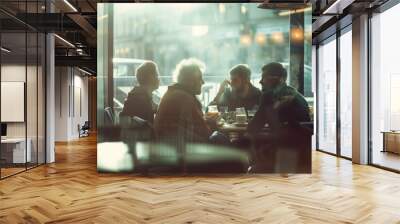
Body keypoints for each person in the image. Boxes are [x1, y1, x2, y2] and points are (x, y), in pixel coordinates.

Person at [154, 58, 214, 143]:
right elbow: (205, 133)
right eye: (200, 78)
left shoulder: (171, 93)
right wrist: (213, 124)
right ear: (190, 81)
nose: (203, 82)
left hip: (166, 147)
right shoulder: (187, 98)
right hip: (185, 151)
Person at [247, 62, 310, 134]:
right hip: (303, 143)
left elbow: (253, 128)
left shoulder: (268, 96)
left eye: (264, 77)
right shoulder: (297, 96)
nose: (260, 81)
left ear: (277, 79)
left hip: (283, 143)